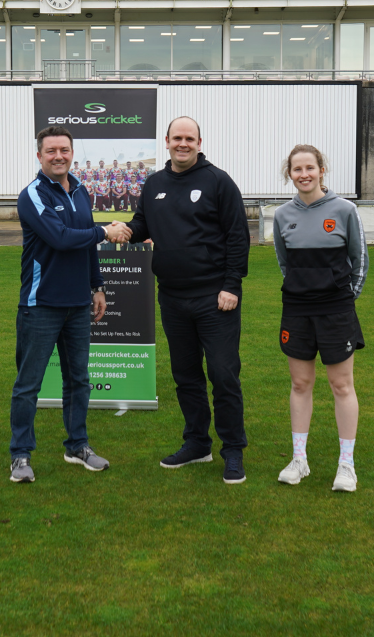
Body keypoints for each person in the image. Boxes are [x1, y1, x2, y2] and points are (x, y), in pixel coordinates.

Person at [122, 116, 251, 484]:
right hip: (173, 298)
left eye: (189, 138)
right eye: (176, 138)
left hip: (215, 299)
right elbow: (142, 224)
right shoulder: (154, 184)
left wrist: (231, 286)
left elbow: (237, 237)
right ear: (166, 141)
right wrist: (122, 231)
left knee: (224, 375)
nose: (183, 143)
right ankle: (197, 443)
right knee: (186, 376)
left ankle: (233, 451)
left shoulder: (218, 181)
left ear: (199, 141)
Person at [10, 125, 131, 483]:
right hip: (41, 304)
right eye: (51, 151)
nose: (58, 156)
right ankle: (20, 454)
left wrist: (97, 286)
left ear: (71, 152)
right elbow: (60, 239)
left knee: (78, 379)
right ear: (39, 156)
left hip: (79, 303)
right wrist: (105, 232)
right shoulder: (32, 194)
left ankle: (77, 445)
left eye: (64, 149)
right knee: (28, 384)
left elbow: (85, 246)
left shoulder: (80, 191)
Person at [272, 145, 368, 493]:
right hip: (296, 310)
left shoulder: (345, 210)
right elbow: (285, 264)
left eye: (309, 167)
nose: (304, 174)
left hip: (336, 311)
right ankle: (300, 459)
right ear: (290, 174)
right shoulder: (282, 215)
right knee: (300, 384)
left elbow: (360, 262)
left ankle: (347, 465)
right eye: (297, 169)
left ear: (321, 169)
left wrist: (342, 300)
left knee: (341, 385)